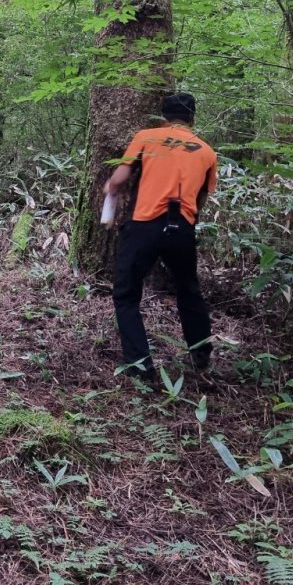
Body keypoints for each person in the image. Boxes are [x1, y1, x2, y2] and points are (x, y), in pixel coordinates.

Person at [102, 92, 217, 382]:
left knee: (126, 294)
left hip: (145, 224)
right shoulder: (206, 151)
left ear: (164, 117)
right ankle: (201, 356)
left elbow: (119, 179)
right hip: (183, 226)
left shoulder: (147, 137)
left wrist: (110, 190)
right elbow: (202, 196)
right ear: (192, 118)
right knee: (189, 291)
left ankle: (141, 366)